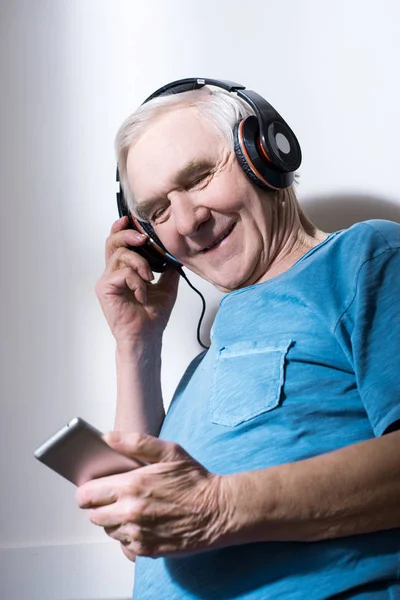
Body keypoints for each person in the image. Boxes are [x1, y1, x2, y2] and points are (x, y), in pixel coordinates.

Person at [76, 82, 400, 599]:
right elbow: (139, 533)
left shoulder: (368, 258)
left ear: (266, 153)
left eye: (200, 177)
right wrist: (135, 343)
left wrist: (218, 507)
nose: (187, 221)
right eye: (158, 212)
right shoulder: (201, 368)